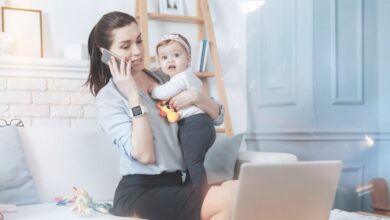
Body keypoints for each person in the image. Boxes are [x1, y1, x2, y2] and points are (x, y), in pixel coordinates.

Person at [86, 11, 236, 220]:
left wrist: (196, 97)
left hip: (178, 184)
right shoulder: (108, 98)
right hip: (140, 193)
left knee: (239, 190)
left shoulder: (163, 77)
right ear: (106, 54)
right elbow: (145, 155)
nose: (137, 51)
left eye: (139, 40)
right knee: (229, 199)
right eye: (125, 46)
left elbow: (218, 115)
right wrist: (133, 96)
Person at [150, 33, 216, 187]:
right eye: (164, 58)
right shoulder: (187, 78)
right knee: (191, 162)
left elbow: (162, 93)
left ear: (188, 59)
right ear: (159, 62)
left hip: (195, 125)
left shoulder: (183, 77)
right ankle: (191, 190)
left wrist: (152, 88)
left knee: (193, 162)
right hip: (200, 125)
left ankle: (202, 193)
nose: (170, 60)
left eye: (176, 55)